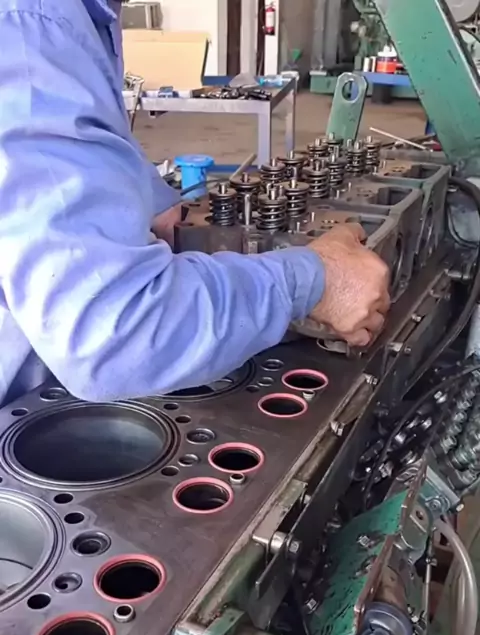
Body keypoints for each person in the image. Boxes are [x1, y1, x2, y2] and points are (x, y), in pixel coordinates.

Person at [0, 0, 390, 407]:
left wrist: (148, 196)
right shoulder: (31, 28)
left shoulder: (80, 16)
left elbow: (74, 139)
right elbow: (111, 334)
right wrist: (315, 280)